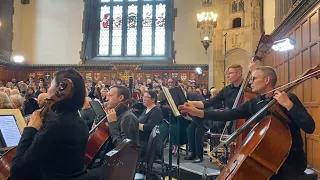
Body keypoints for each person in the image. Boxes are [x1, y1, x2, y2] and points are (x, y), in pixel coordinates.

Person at [179, 64, 315, 180]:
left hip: (290, 161)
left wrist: (289, 105)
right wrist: (199, 113)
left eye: (254, 79)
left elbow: (310, 127)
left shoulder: (288, 98)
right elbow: (229, 114)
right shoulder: (255, 102)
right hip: (263, 159)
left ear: (267, 80)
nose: (250, 82)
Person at [10, 69, 89, 180]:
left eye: (51, 84)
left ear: (60, 90)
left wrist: (30, 129)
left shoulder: (55, 126)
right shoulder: (79, 121)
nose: (48, 88)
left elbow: (17, 172)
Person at [138, 90, 163, 157]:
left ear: (153, 99)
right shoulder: (146, 109)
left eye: (146, 97)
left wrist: (135, 125)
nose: (144, 99)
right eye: (143, 97)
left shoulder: (156, 110)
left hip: (148, 143)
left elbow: (149, 127)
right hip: (141, 139)